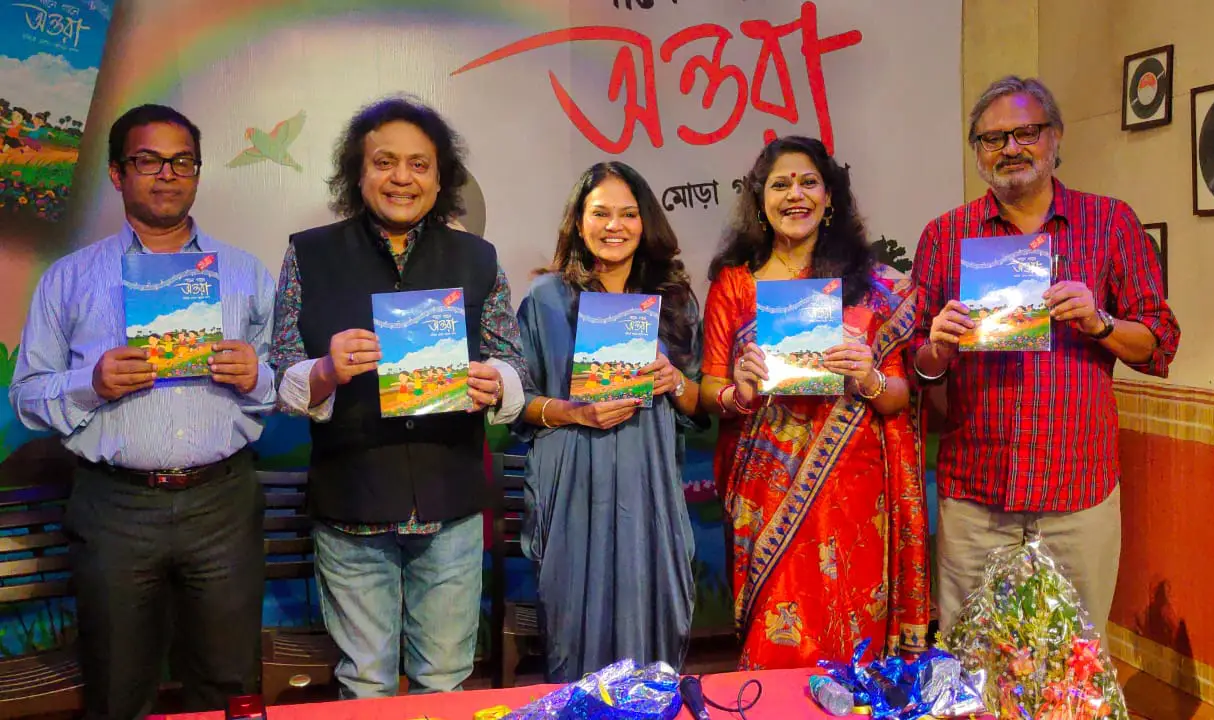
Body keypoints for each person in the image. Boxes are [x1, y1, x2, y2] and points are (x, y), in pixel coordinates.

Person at [8, 104, 276, 719]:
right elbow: (25, 395)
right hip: (115, 507)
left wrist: (257, 375)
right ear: (116, 173)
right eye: (147, 160)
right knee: (118, 685)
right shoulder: (69, 279)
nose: (166, 174)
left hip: (223, 502)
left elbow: (292, 381)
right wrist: (90, 383)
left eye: (182, 160)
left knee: (230, 683)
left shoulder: (245, 274)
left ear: (198, 172)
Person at [269, 95, 529, 698]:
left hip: (452, 504)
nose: (402, 178)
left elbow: (512, 363)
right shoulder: (308, 253)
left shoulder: (477, 257)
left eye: (420, 164)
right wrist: (325, 372)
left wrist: (496, 384)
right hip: (352, 498)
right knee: (364, 683)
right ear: (357, 174)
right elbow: (281, 370)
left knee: (445, 679)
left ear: (441, 179)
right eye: (385, 163)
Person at [912, 76, 1181, 638]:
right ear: (978, 152)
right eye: (992, 139)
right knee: (971, 661)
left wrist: (1100, 322)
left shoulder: (1110, 223)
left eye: (1026, 132)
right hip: (975, 498)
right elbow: (918, 367)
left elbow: (1160, 344)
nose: (1010, 148)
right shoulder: (945, 235)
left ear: (1055, 137)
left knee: (1075, 666)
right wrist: (937, 347)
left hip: (1078, 494)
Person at [699, 136, 930, 670]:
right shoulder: (734, 283)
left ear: (830, 198)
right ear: (760, 199)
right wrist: (740, 388)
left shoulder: (869, 285)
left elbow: (897, 397)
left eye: (808, 182)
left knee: (855, 645)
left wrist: (867, 375)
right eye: (780, 184)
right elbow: (710, 389)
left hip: (855, 492)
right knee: (775, 639)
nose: (794, 195)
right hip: (766, 493)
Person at [514, 162, 702, 682]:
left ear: (646, 224)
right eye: (600, 213)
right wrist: (574, 411)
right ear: (579, 222)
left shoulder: (676, 301)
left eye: (628, 214)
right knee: (575, 622)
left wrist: (674, 382)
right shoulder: (545, 300)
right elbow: (516, 404)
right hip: (572, 480)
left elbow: (702, 404)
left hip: (649, 483)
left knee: (654, 616)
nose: (614, 226)